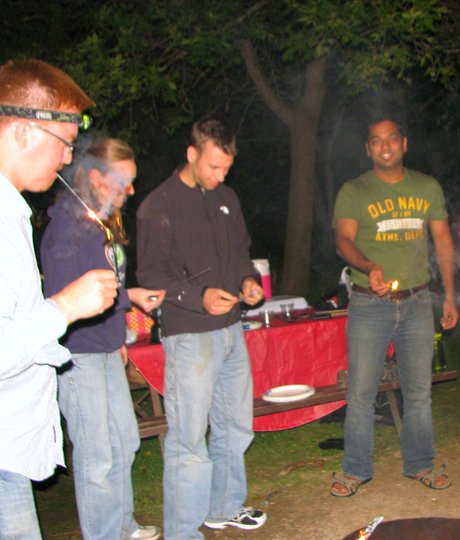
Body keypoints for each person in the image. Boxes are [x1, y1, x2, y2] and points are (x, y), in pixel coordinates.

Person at [0, 59, 118, 538]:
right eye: (65, 145)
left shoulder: (13, 212)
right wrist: (64, 307)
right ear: (25, 132)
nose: (69, 160)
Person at [136, 117, 267, 539]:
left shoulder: (226, 197)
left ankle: (224, 506)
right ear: (192, 155)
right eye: (213, 167)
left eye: (226, 168)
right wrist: (198, 298)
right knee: (189, 439)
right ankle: (182, 529)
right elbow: (150, 274)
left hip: (231, 329)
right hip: (189, 334)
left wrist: (248, 282)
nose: (220, 176)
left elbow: (243, 255)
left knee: (235, 425)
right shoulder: (158, 205)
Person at [40, 136, 165, 540]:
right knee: (97, 458)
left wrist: (126, 310)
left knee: (125, 443)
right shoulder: (67, 229)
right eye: (123, 181)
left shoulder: (100, 223)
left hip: (109, 349)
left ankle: (123, 525)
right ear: (95, 177)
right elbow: (63, 301)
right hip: (79, 358)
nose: (130, 191)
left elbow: (103, 289)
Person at [330, 116, 458, 497]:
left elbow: (444, 241)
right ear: (368, 149)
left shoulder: (427, 186)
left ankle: (420, 464)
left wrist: (450, 295)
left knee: (418, 391)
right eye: (376, 141)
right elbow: (343, 240)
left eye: (391, 139)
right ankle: (355, 470)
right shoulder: (354, 190)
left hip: (418, 301)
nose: (384, 146)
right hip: (370, 304)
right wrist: (368, 267)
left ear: (405, 143)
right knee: (361, 392)